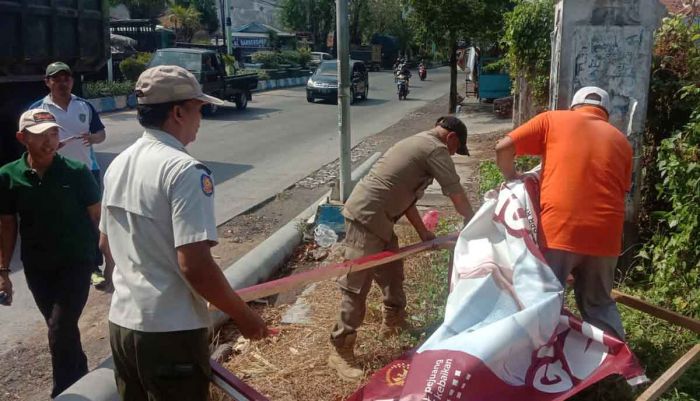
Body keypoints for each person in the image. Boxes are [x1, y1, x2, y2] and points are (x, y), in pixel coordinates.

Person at [99, 65, 269, 401]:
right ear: (177, 112)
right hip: (170, 331)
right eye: (198, 109)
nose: (200, 119)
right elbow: (195, 266)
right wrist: (245, 317)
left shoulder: (119, 163)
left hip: (122, 323)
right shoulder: (185, 171)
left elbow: (106, 243)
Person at [329, 116, 475, 381]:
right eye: (456, 149)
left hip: (381, 219)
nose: (453, 154)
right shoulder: (435, 149)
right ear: (451, 138)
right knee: (356, 285)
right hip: (367, 217)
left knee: (393, 273)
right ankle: (341, 349)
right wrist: (474, 222)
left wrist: (423, 233)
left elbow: (406, 198)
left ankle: (394, 322)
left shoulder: (419, 144)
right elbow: (454, 191)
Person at [494, 86, 632, 340]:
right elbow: (622, 189)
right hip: (607, 236)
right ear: (605, 113)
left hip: (562, 229)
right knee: (599, 303)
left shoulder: (553, 120)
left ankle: (542, 363)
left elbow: (503, 147)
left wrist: (511, 177)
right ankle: (614, 367)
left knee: (545, 300)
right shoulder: (622, 141)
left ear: (574, 107)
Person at [0, 109, 102, 398]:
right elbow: (7, 226)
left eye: (53, 133)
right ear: (22, 138)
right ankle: (83, 379)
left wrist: (111, 258)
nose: (49, 141)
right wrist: (3, 271)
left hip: (77, 261)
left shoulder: (77, 172)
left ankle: (63, 393)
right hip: (38, 268)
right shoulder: (8, 176)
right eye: (39, 136)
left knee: (59, 328)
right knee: (62, 330)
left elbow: (98, 218)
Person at [29, 61, 111, 289]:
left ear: (72, 81)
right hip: (54, 174)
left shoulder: (84, 106)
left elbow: (101, 133)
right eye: (56, 78)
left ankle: (95, 267)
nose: (62, 82)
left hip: (87, 172)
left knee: (93, 222)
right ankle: (63, 266)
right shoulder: (38, 111)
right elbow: (28, 142)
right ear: (47, 82)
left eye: (66, 78)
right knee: (60, 220)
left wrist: (93, 138)